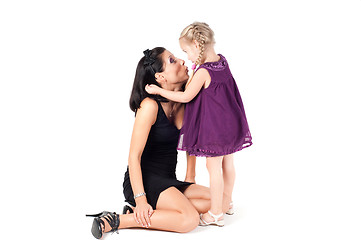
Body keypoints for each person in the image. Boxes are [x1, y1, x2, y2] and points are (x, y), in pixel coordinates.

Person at [86, 47, 230, 239]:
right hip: (145, 180)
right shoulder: (149, 106)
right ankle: (118, 220)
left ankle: (148, 212)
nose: (181, 60)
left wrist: (190, 176)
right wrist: (142, 199)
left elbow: (190, 143)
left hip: (168, 179)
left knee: (222, 201)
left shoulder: (184, 102)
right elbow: (133, 156)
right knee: (189, 219)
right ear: (160, 77)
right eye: (172, 60)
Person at [145, 22, 252, 227]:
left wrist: (159, 91)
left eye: (186, 51)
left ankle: (216, 214)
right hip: (230, 123)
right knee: (228, 164)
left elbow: (185, 96)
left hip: (215, 128)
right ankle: (226, 201)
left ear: (196, 45)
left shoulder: (203, 71)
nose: (187, 57)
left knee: (213, 168)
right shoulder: (222, 61)